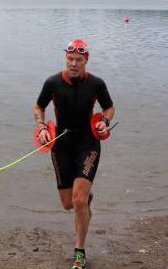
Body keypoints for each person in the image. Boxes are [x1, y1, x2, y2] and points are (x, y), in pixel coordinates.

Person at [33, 39, 115, 269]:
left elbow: (109, 107)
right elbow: (38, 107)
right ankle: (87, 201)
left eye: (79, 60)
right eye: (70, 59)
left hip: (88, 142)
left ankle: (79, 253)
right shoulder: (53, 82)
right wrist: (41, 127)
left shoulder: (96, 84)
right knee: (69, 204)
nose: (74, 64)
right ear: (65, 59)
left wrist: (104, 121)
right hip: (61, 143)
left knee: (77, 199)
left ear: (86, 60)